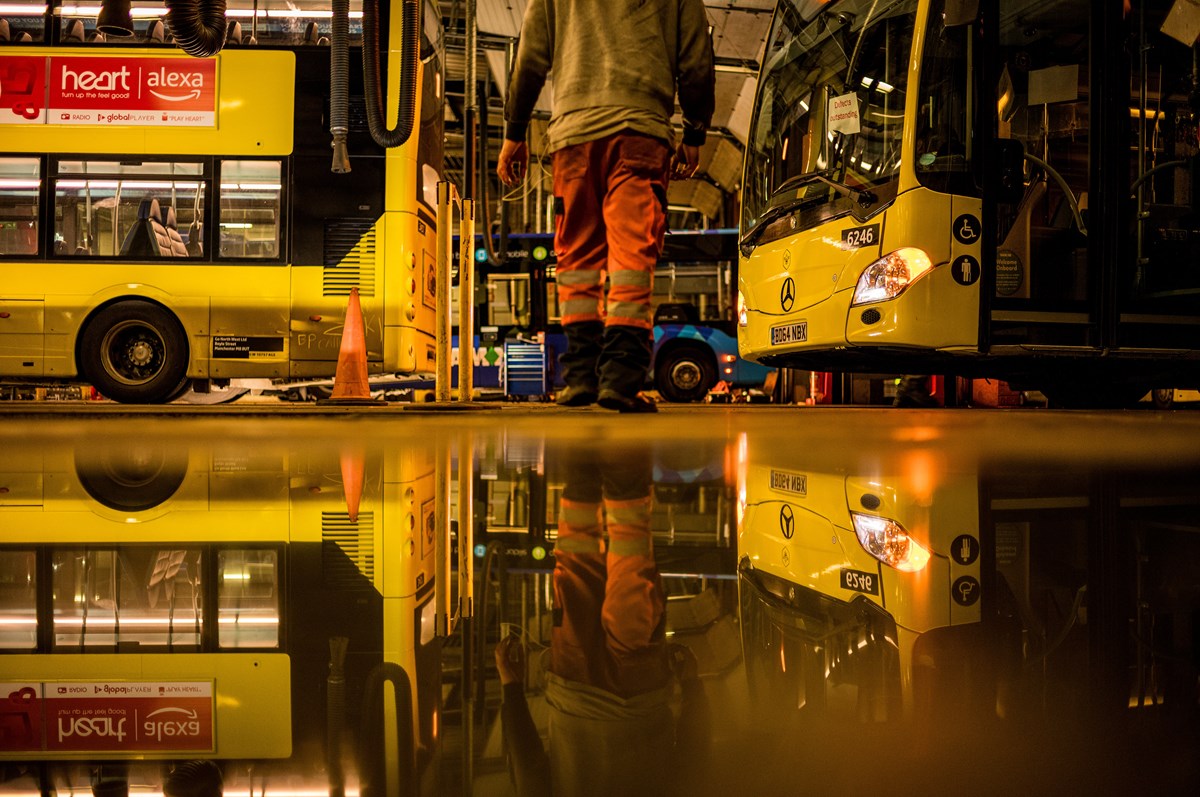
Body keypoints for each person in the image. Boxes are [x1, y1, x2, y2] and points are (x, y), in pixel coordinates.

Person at [497, 0, 716, 412]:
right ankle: (620, 379)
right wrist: (695, 132)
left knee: (577, 255)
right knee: (632, 254)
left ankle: (580, 378)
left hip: (573, 135)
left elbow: (530, 56)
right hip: (640, 133)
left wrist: (515, 131)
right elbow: (696, 60)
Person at [494, 444, 710, 795]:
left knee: (631, 570)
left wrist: (694, 688)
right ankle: (582, 466)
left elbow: (692, 767)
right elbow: (530, 772)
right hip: (574, 695)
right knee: (576, 565)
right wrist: (511, 687)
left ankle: (623, 462)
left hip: (639, 696)